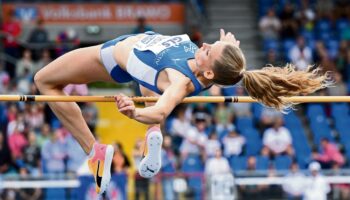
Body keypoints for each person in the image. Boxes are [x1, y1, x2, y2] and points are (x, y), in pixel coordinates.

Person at [34, 29, 330, 194]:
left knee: (44, 80)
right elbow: (227, 58)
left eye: (208, 51)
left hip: (113, 57)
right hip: (141, 67)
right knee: (148, 81)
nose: (204, 45)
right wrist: (227, 45)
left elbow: (161, 111)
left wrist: (135, 114)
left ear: (210, 73)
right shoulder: (214, 65)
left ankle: (94, 151)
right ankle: (153, 137)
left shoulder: (179, 83)